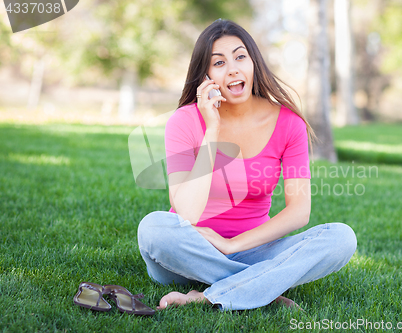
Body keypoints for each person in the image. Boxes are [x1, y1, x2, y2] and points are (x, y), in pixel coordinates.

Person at [137, 19, 357, 311]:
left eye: (240, 56)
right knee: (153, 228)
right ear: (206, 75)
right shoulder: (184, 121)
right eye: (219, 63)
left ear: (254, 62)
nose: (233, 69)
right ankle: (262, 287)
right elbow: (186, 212)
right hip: (189, 252)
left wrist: (232, 245)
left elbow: (299, 212)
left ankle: (211, 294)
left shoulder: (289, 124)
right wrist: (212, 131)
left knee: (341, 238)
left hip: (255, 250)